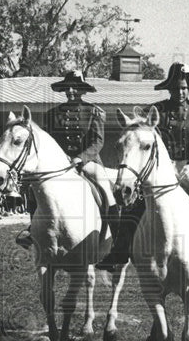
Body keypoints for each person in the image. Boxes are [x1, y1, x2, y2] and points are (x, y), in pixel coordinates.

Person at [101, 62, 189, 277]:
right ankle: (119, 251)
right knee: (134, 205)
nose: (179, 92)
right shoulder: (156, 111)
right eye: (175, 88)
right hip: (160, 170)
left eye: (183, 88)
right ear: (169, 89)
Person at [16, 69, 116, 249]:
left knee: (104, 187)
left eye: (75, 87)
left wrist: (80, 158)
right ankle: (33, 229)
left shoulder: (94, 112)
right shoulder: (52, 114)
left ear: (82, 90)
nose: (71, 91)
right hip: (59, 164)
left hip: (88, 162)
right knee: (34, 188)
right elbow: (48, 142)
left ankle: (115, 233)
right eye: (68, 88)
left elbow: (97, 141)